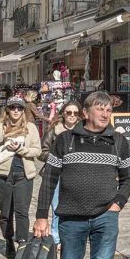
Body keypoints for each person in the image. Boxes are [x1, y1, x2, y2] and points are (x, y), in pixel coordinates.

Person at [33, 92, 130, 259]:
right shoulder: (65, 140)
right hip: (71, 218)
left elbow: (128, 179)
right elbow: (49, 178)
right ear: (86, 113)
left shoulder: (118, 142)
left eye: (108, 110)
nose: (105, 114)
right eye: (100, 109)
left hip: (105, 217)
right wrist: (41, 216)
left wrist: (117, 204)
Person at [0, 97, 43, 258]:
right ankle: (8, 239)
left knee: (22, 211)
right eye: (13, 107)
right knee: (6, 212)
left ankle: (22, 242)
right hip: (3, 175)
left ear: (24, 110)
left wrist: (22, 150)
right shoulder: (0, 128)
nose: (16, 110)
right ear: (8, 110)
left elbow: (37, 150)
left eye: (19, 108)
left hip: (24, 175)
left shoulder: (30, 128)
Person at [43, 101, 83, 244]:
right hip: (58, 174)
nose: (72, 115)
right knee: (57, 207)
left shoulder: (84, 131)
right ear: (63, 114)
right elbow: (43, 151)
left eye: (75, 113)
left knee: (76, 206)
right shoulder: (54, 129)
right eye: (69, 112)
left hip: (77, 174)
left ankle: (73, 236)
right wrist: (58, 158)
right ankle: (56, 238)